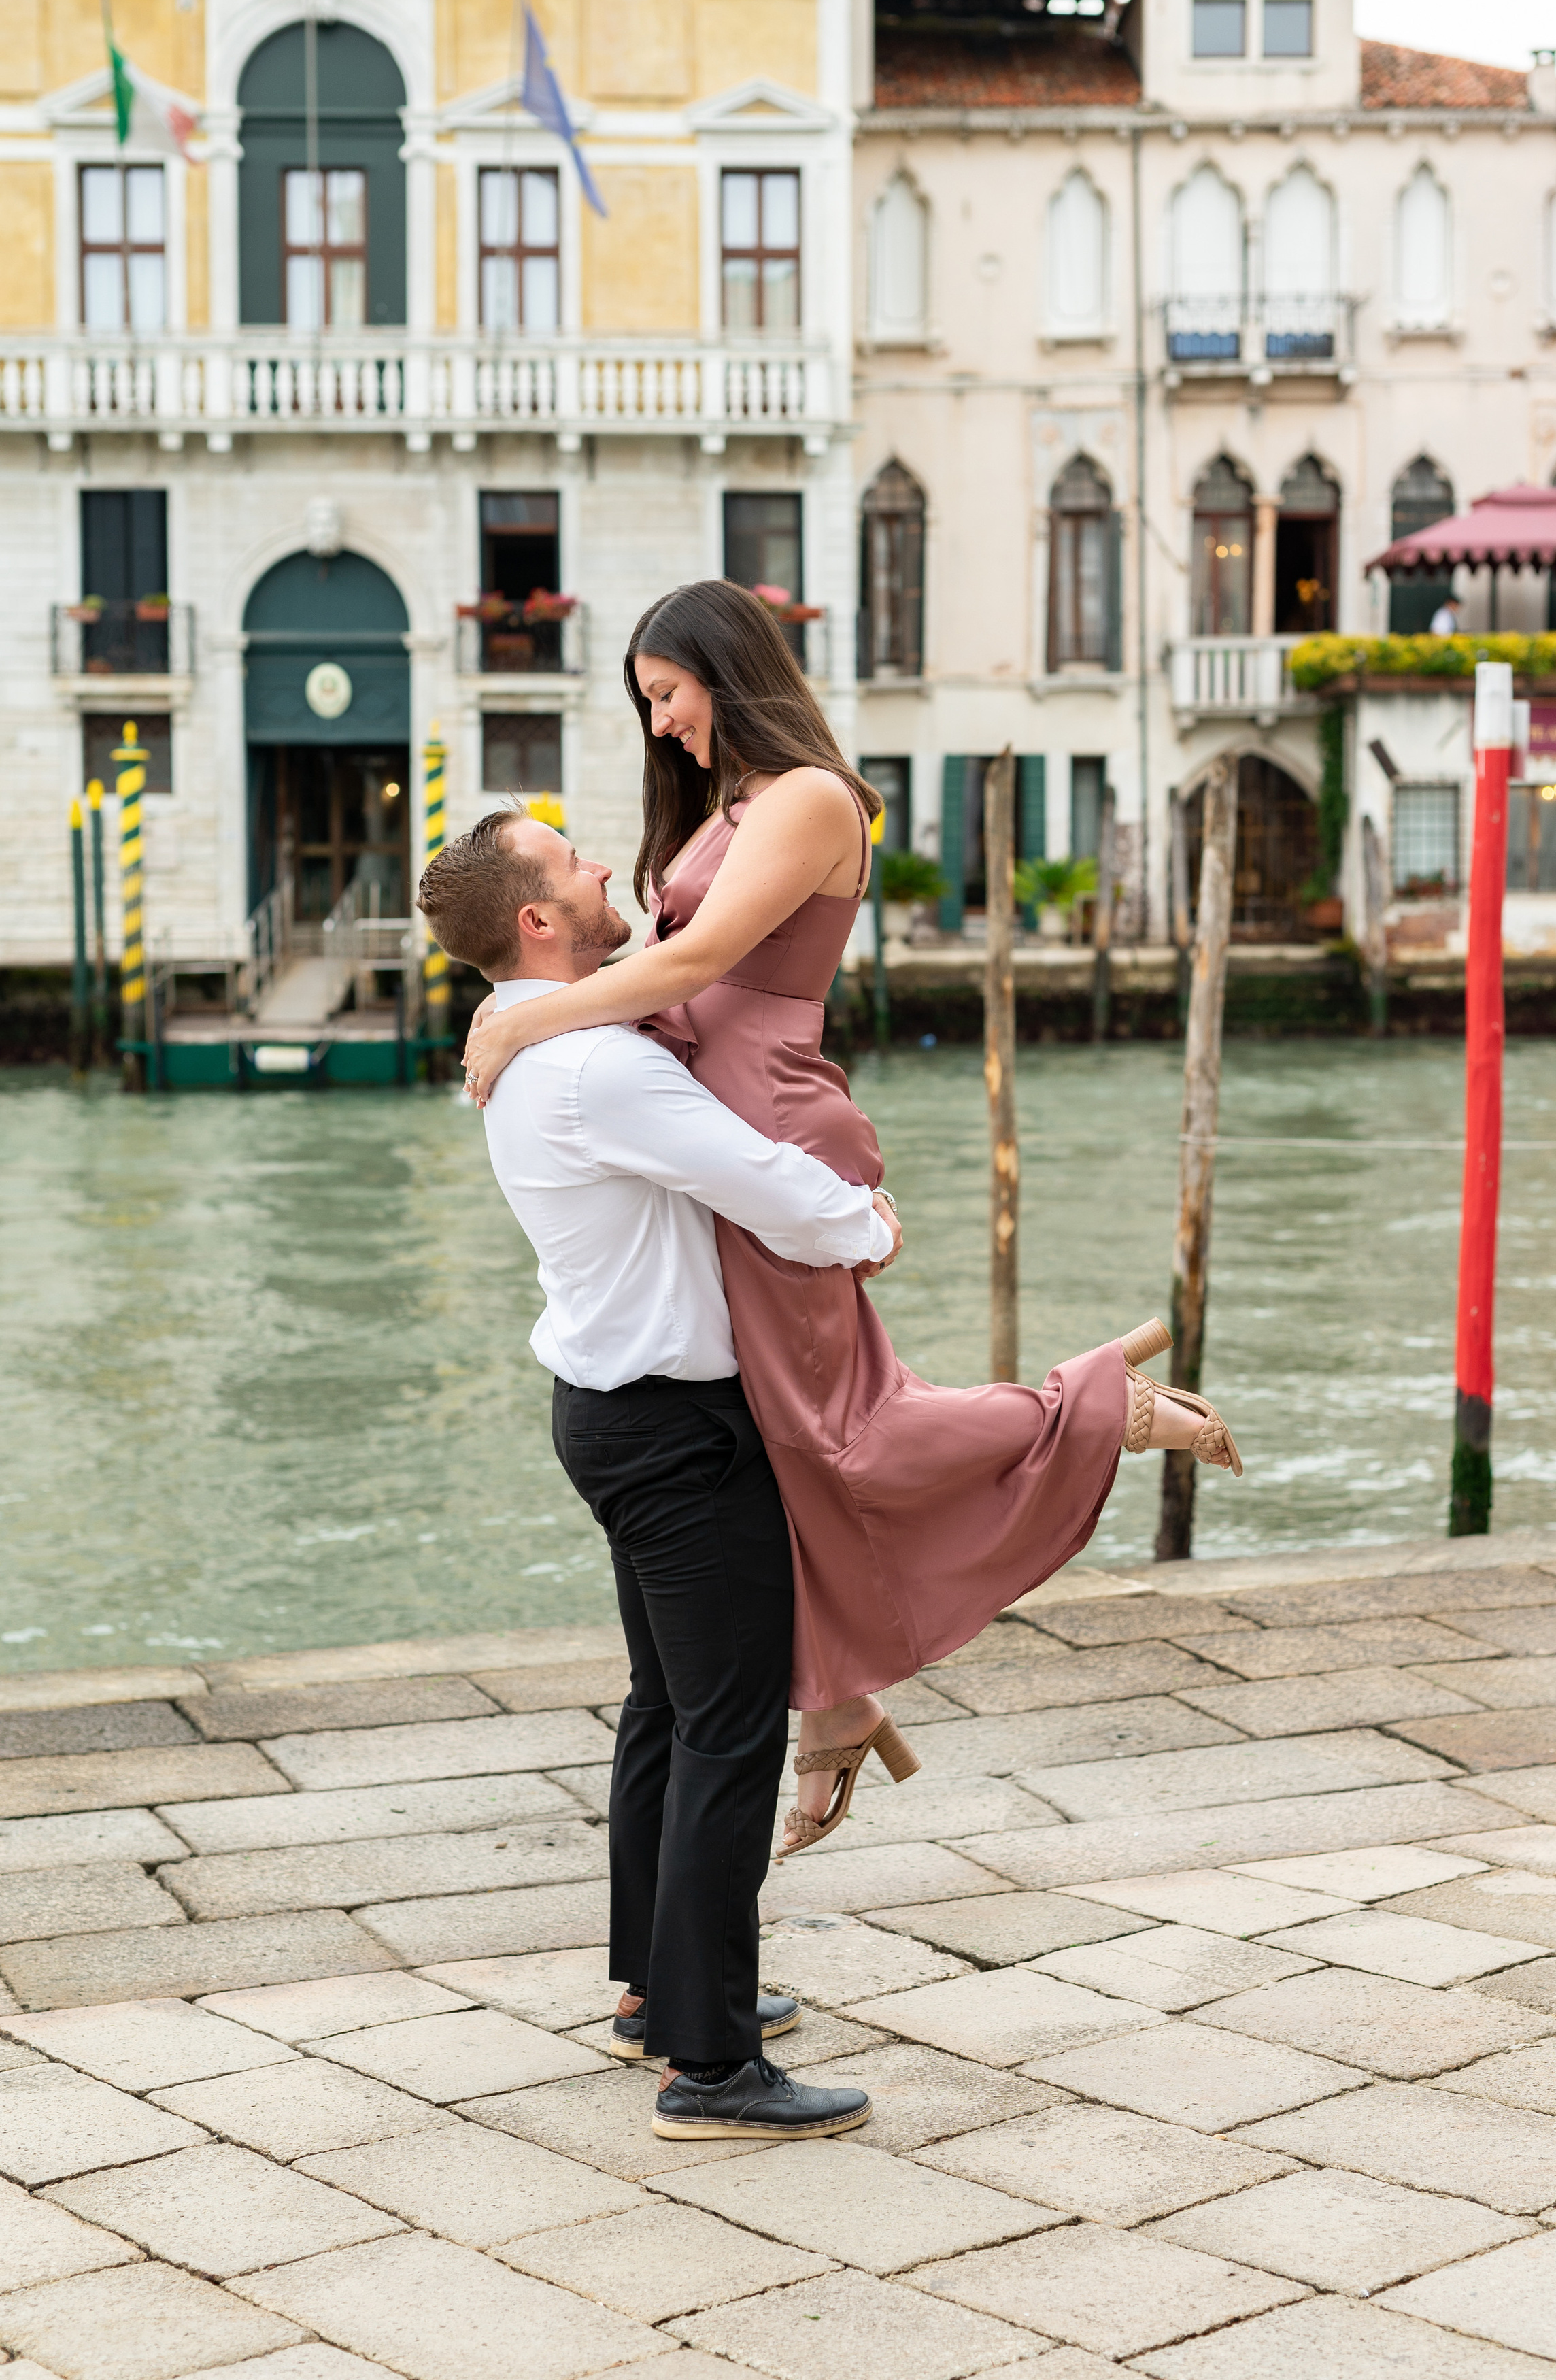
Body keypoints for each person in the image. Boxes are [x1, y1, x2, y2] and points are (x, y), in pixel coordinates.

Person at [461, 579, 1241, 1853]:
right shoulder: (731, 803)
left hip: (767, 1129)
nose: (660, 723)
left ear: (726, 669)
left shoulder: (814, 798)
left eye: (668, 692)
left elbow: (695, 964)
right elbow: (661, 971)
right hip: (717, 1134)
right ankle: (834, 1702)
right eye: (647, 703)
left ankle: (1104, 1408)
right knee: (784, 1437)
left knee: (839, 1432)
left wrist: (522, 1018)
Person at [417, 807, 893, 2142]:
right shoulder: (592, 1067)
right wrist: (868, 1224)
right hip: (676, 1432)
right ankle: (712, 2063)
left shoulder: (542, 1044)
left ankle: (656, 1992)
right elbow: (762, 1180)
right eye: (571, 862)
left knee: (669, 1710)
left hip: (612, 1415)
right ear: (537, 920)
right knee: (729, 1729)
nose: (601, 866)